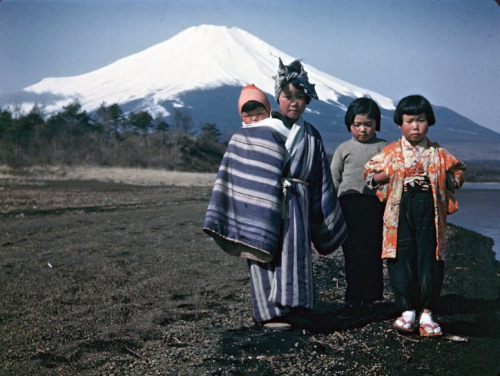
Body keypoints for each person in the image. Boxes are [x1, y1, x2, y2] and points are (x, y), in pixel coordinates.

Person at [204, 59, 347, 330]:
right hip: (263, 201)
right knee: (263, 249)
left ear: (307, 101)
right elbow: (241, 165)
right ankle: (269, 313)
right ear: (276, 98)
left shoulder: (312, 136)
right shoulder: (258, 128)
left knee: (296, 253)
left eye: (300, 97)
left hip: (299, 202)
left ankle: (297, 308)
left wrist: (324, 216)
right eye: (287, 96)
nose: (294, 103)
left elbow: (320, 178)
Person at [364, 94, 466, 337]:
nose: (415, 126)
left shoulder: (439, 153)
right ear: (400, 123)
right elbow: (369, 174)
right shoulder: (390, 152)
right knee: (401, 257)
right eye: (409, 121)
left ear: (428, 122)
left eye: (420, 120)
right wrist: (385, 175)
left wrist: (445, 179)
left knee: (430, 258)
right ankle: (407, 310)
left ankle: (428, 311)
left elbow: (459, 171)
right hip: (399, 213)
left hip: (430, 213)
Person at [330, 97, 387, 308]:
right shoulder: (343, 149)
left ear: (376, 124)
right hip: (348, 205)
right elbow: (334, 179)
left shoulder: (385, 148)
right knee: (352, 251)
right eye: (357, 125)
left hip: (375, 205)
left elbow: (392, 177)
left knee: (373, 249)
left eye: (368, 124)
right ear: (349, 125)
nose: (362, 129)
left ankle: (373, 294)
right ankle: (353, 293)